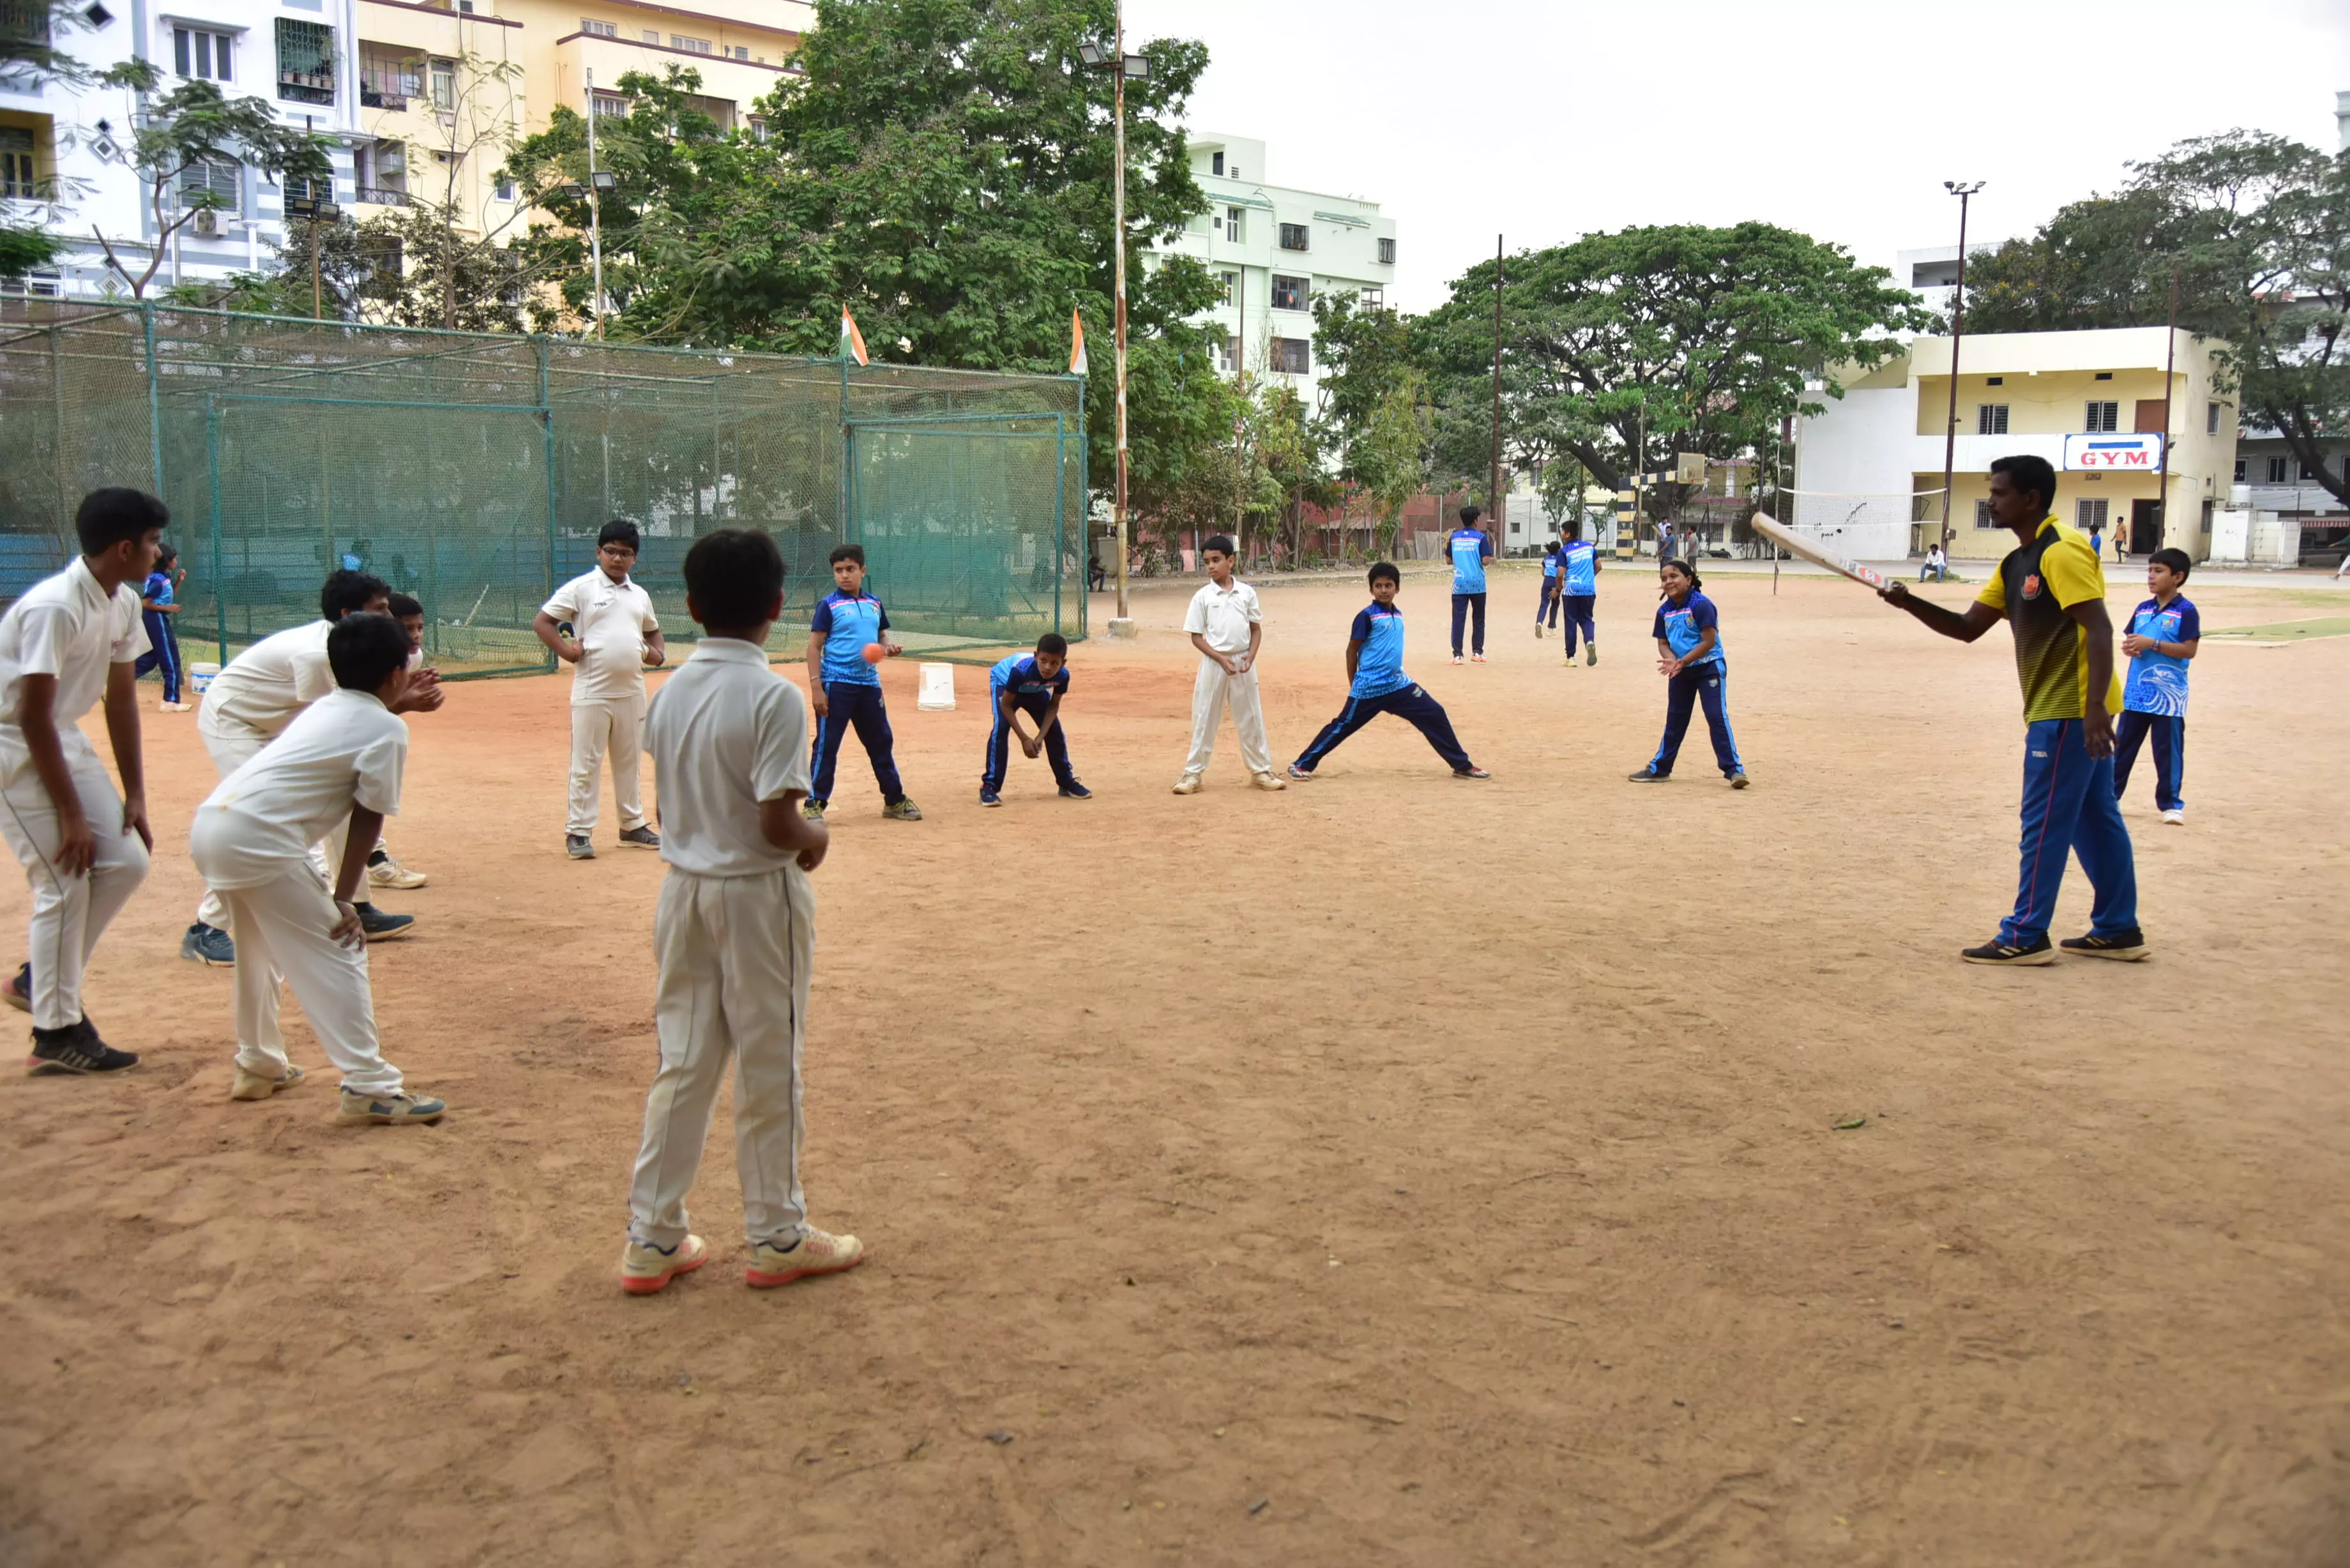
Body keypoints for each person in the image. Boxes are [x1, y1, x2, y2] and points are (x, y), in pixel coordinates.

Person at [619, 527, 861, 1295]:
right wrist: (815, 836)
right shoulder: (771, 695)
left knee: (684, 1060)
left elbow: (675, 800)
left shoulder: (671, 692)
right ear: (778, 606)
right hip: (758, 897)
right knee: (769, 1059)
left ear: (689, 606)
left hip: (682, 889)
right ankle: (776, 1232)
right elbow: (778, 823)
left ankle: (652, 1236)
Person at [1879, 453, 2142, 965]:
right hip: (2059, 709)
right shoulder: (2016, 562)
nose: (1991, 500)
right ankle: (2117, 927)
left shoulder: (2060, 551)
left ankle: (2025, 933)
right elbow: (1967, 627)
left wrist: (2093, 711)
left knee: (2042, 823)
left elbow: (2102, 627)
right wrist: (1909, 602)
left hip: (2069, 711)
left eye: (1999, 493)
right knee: (2095, 820)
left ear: (2031, 499)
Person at [190, 614, 447, 1125]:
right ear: (397, 673)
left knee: (258, 949)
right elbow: (368, 814)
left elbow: (361, 718)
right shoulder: (387, 728)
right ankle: (370, 1088)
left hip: (213, 828)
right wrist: (346, 898)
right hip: (261, 842)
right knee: (340, 946)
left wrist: (398, 702)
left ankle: (259, 1065)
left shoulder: (330, 704)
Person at [183, 571, 436, 965]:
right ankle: (206, 929)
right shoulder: (318, 655)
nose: (390, 616)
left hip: (285, 720)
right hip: (237, 720)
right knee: (263, 818)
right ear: (348, 613)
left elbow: (348, 721)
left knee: (340, 800)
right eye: (380, 608)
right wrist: (403, 702)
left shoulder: (369, 645)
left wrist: (403, 692)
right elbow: (340, 722)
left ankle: (357, 905)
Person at [0, 488, 161, 1073]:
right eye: (150, 541)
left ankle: (36, 979)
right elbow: (29, 714)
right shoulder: (55, 606)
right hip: (12, 743)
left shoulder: (122, 602)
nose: (157, 550)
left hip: (60, 734)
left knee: (126, 862)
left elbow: (121, 701)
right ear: (124, 548)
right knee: (64, 881)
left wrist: (136, 793)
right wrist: (71, 814)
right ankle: (57, 1027)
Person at [1287, 561, 1489, 782]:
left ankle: (1461, 765)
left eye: (1389, 585)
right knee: (1342, 726)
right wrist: (1354, 682)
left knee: (1435, 713)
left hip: (1399, 685)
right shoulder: (1366, 616)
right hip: (1369, 688)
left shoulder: (1398, 614)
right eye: (1379, 586)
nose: (1384, 590)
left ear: (1397, 589)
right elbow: (1351, 650)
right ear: (1371, 589)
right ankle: (1302, 764)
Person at [534, 520, 665, 861]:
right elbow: (543, 621)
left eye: (626, 553)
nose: (617, 559)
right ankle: (578, 831)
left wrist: (657, 654)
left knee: (629, 761)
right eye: (611, 551)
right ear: (599, 552)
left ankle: (632, 825)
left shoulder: (640, 595)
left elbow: (653, 632)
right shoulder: (582, 588)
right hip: (593, 691)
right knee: (586, 763)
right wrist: (566, 652)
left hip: (632, 691)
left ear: (635, 558)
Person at [803, 543, 921, 822]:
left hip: (869, 685)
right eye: (838, 570)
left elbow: (881, 638)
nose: (844, 575)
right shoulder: (828, 606)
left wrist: (888, 648)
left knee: (881, 741)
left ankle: (894, 801)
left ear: (862, 571)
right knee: (827, 745)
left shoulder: (874, 604)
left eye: (850, 569)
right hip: (836, 684)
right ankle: (814, 804)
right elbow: (813, 647)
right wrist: (816, 687)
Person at [1175, 534, 1284, 794]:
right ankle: (1192, 774)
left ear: (1231, 561)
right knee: (1205, 716)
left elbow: (1256, 630)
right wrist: (1220, 659)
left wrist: (1251, 656)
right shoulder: (1202, 597)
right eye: (1207, 562)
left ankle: (1261, 770)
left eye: (1216, 560)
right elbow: (1196, 637)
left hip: (1243, 663)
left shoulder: (1246, 593)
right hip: (1215, 663)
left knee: (1251, 717)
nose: (1211, 566)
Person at [1627, 560, 1748, 788]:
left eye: (1674, 576)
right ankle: (1660, 769)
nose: (1668, 582)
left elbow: (1709, 641)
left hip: (1708, 667)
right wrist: (1672, 660)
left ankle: (1734, 770)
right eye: (1664, 579)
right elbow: (1663, 643)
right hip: (1681, 671)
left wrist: (1683, 661)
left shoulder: (1701, 605)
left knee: (1716, 716)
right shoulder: (1664, 611)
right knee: (1675, 720)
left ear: (1689, 580)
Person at [2114, 547, 2200, 827]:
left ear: (2178, 577)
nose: (2151, 576)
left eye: (2158, 571)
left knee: (2168, 751)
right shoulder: (2143, 608)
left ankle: (2171, 804)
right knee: (2122, 748)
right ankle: (2108, 798)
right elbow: (2131, 639)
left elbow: (2189, 650)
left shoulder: (2186, 611)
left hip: (2168, 698)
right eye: (2149, 570)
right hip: (2136, 694)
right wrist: (2131, 648)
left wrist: (2152, 644)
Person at [359, 593, 433, 893]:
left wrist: (408, 693)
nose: (416, 636)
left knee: (368, 786)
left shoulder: (411, 657)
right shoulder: (361, 654)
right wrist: (407, 704)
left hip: (363, 729)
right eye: (407, 628)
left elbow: (376, 709)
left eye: (420, 627)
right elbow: (357, 715)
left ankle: (374, 861)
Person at [981, 633, 1089, 806]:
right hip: (1005, 683)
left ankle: (1066, 781)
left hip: (1034, 689)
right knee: (1001, 728)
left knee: (1054, 731)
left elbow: (1053, 707)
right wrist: (1024, 738)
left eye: (1055, 663)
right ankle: (989, 787)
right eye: (1043, 660)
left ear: (1063, 663)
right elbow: (1006, 706)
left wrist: (1040, 737)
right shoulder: (1021, 671)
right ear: (1035, 656)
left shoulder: (1063, 676)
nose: (1048, 668)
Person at [135, 543, 188, 712]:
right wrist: (169, 608)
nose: (176, 561)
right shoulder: (157, 580)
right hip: (154, 618)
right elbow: (145, 603)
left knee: (153, 658)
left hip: (157, 618)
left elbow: (167, 595)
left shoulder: (163, 577)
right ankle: (170, 701)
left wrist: (179, 581)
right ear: (167, 561)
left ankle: (119, 680)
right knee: (170, 657)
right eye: (174, 558)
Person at [1446, 506, 1495, 663]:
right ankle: (1477, 652)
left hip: (1460, 584)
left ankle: (1457, 654)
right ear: (1475, 521)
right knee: (1479, 619)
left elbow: (1449, 560)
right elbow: (1486, 561)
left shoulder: (1454, 537)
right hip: (1477, 584)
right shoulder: (1480, 538)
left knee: (1458, 619)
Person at [1558, 522, 1601, 667]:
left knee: (1571, 621)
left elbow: (1559, 574)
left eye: (1563, 531)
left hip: (1571, 591)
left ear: (1568, 534)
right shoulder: (1590, 547)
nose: (1562, 534)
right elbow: (1599, 566)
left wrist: (1558, 589)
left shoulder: (1564, 551)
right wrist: (1589, 579)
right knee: (1587, 619)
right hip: (1589, 590)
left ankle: (1571, 658)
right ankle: (1590, 641)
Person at [1534, 537, 1561, 638]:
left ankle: (1539, 623)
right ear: (1558, 549)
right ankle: (1551, 627)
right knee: (1555, 604)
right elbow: (1561, 572)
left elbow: (1543, 572)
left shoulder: (1546, 558)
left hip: (1546, 582)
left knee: (1544, 604)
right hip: (1555, 582)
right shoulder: (1560, 558)